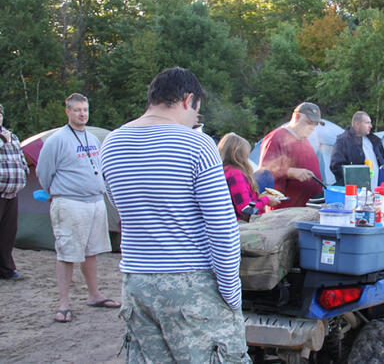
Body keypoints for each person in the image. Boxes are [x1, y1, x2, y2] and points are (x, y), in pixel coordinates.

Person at [100, 67, 249, 362]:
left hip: (136, 282)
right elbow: (221, 227)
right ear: (187, 99)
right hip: (190, 284)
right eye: (197, 113)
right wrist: (231, 292)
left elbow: (119, 210)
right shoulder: (197, 144)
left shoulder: (111, 144)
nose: (196, 121)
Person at [36, 93, 120, 324]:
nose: (82, 114)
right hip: (70, 203)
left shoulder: (92, 139)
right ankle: (64, 303)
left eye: (85, 109)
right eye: (77, 110)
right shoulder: (58, 140)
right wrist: (59, 192)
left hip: (94, 202)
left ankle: (94, 294)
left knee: (91, 251)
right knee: (67, 253)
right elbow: (44, 173)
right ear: (68, 112)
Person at [258, 102, 324, 210]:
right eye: (309, 122)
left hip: (305, 208)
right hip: (284, 211)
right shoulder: (276, 138)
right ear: (297, 117)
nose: (312, 127)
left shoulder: (304, 139)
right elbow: (264, 172)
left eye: (315, 124)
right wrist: (291, 172)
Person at [218, 132, 279, 219]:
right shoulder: (235, 175)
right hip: (242, 227)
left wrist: (259, 199)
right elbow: (246, 210)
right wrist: (266, 200)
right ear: (240, 154)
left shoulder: (223, 171)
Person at [0, 103, 29, 280]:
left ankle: (6, 269)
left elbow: (21, 158)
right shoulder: (5, 138)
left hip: (12, 192)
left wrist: (24, 173)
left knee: (7, 233)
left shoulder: (12, 136)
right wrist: (3, 142)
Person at [330, 111, 384, 187]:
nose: (371, 126)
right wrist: (356, 179)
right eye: (367, 123)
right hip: (357, 192)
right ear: (357, 124)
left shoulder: (375, 141)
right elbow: (335, 166)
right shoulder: (343, 141)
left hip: (378, 191)